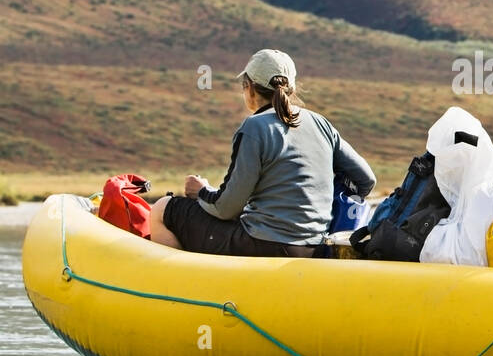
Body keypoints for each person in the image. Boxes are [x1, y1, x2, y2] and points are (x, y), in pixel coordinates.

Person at [150, 49, 376, 257]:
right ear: (292, 88)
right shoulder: (321, 124)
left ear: (249, 87)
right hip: (315, 247)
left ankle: (184, 291)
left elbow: (226, 208)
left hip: (263, 245)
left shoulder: (254, 127)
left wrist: (201, 191)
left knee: (163, 208)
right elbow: (366, 181)